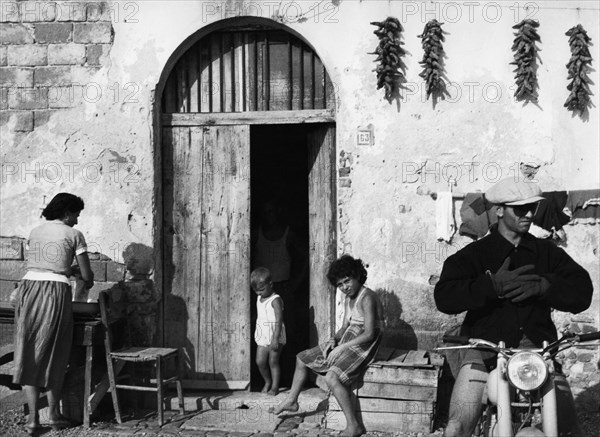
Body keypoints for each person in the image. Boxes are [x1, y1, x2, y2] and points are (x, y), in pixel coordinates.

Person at [434, 177, 593, 437]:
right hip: (484, 350)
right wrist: (489, 286)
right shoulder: (474, 254)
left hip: (538, 351)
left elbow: (582, 290)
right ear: (499, 210)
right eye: (520, 209)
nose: (529, 214)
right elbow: (444, 297)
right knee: (456, 427)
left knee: (571, 430)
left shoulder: (547, 252)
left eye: (533, 207)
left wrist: (546, 286)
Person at [271, 255, 384, 437]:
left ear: (357, 276)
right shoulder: (349, 298)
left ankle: (354, 426)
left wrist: (341, 348)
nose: (345, 287)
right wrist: (334, 340)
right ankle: (292, 400)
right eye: (340, 284)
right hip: (349, 337)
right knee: (302, 358)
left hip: (365, 343)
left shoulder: (367, 297)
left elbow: (370, 333)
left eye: (347, 281)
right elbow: (345, 327)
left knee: (332, 377)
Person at [12, 193, 94, 434]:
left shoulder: (36, 231)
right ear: (67, 213)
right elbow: (88, 276)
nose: (77, 220)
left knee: (29, 352)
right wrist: (80, 277)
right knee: (55, 352)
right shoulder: (74, 235)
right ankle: (55, 415)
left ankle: (32, 420)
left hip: (27, 289)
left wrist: (64, 268)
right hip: (54, 293)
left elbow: (43, 264)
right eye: (76, 215)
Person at [251, 267, 286, 395]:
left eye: (261, 290)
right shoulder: (259, 298)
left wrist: (276, 338)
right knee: (260, 361)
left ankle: (275, 387)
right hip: (263, 335)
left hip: (275, 334)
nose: (259, 293)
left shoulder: (275, 300)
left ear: (270, 285)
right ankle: (267, 381)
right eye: (256, 291)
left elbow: (279, 320)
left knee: (273, 361)